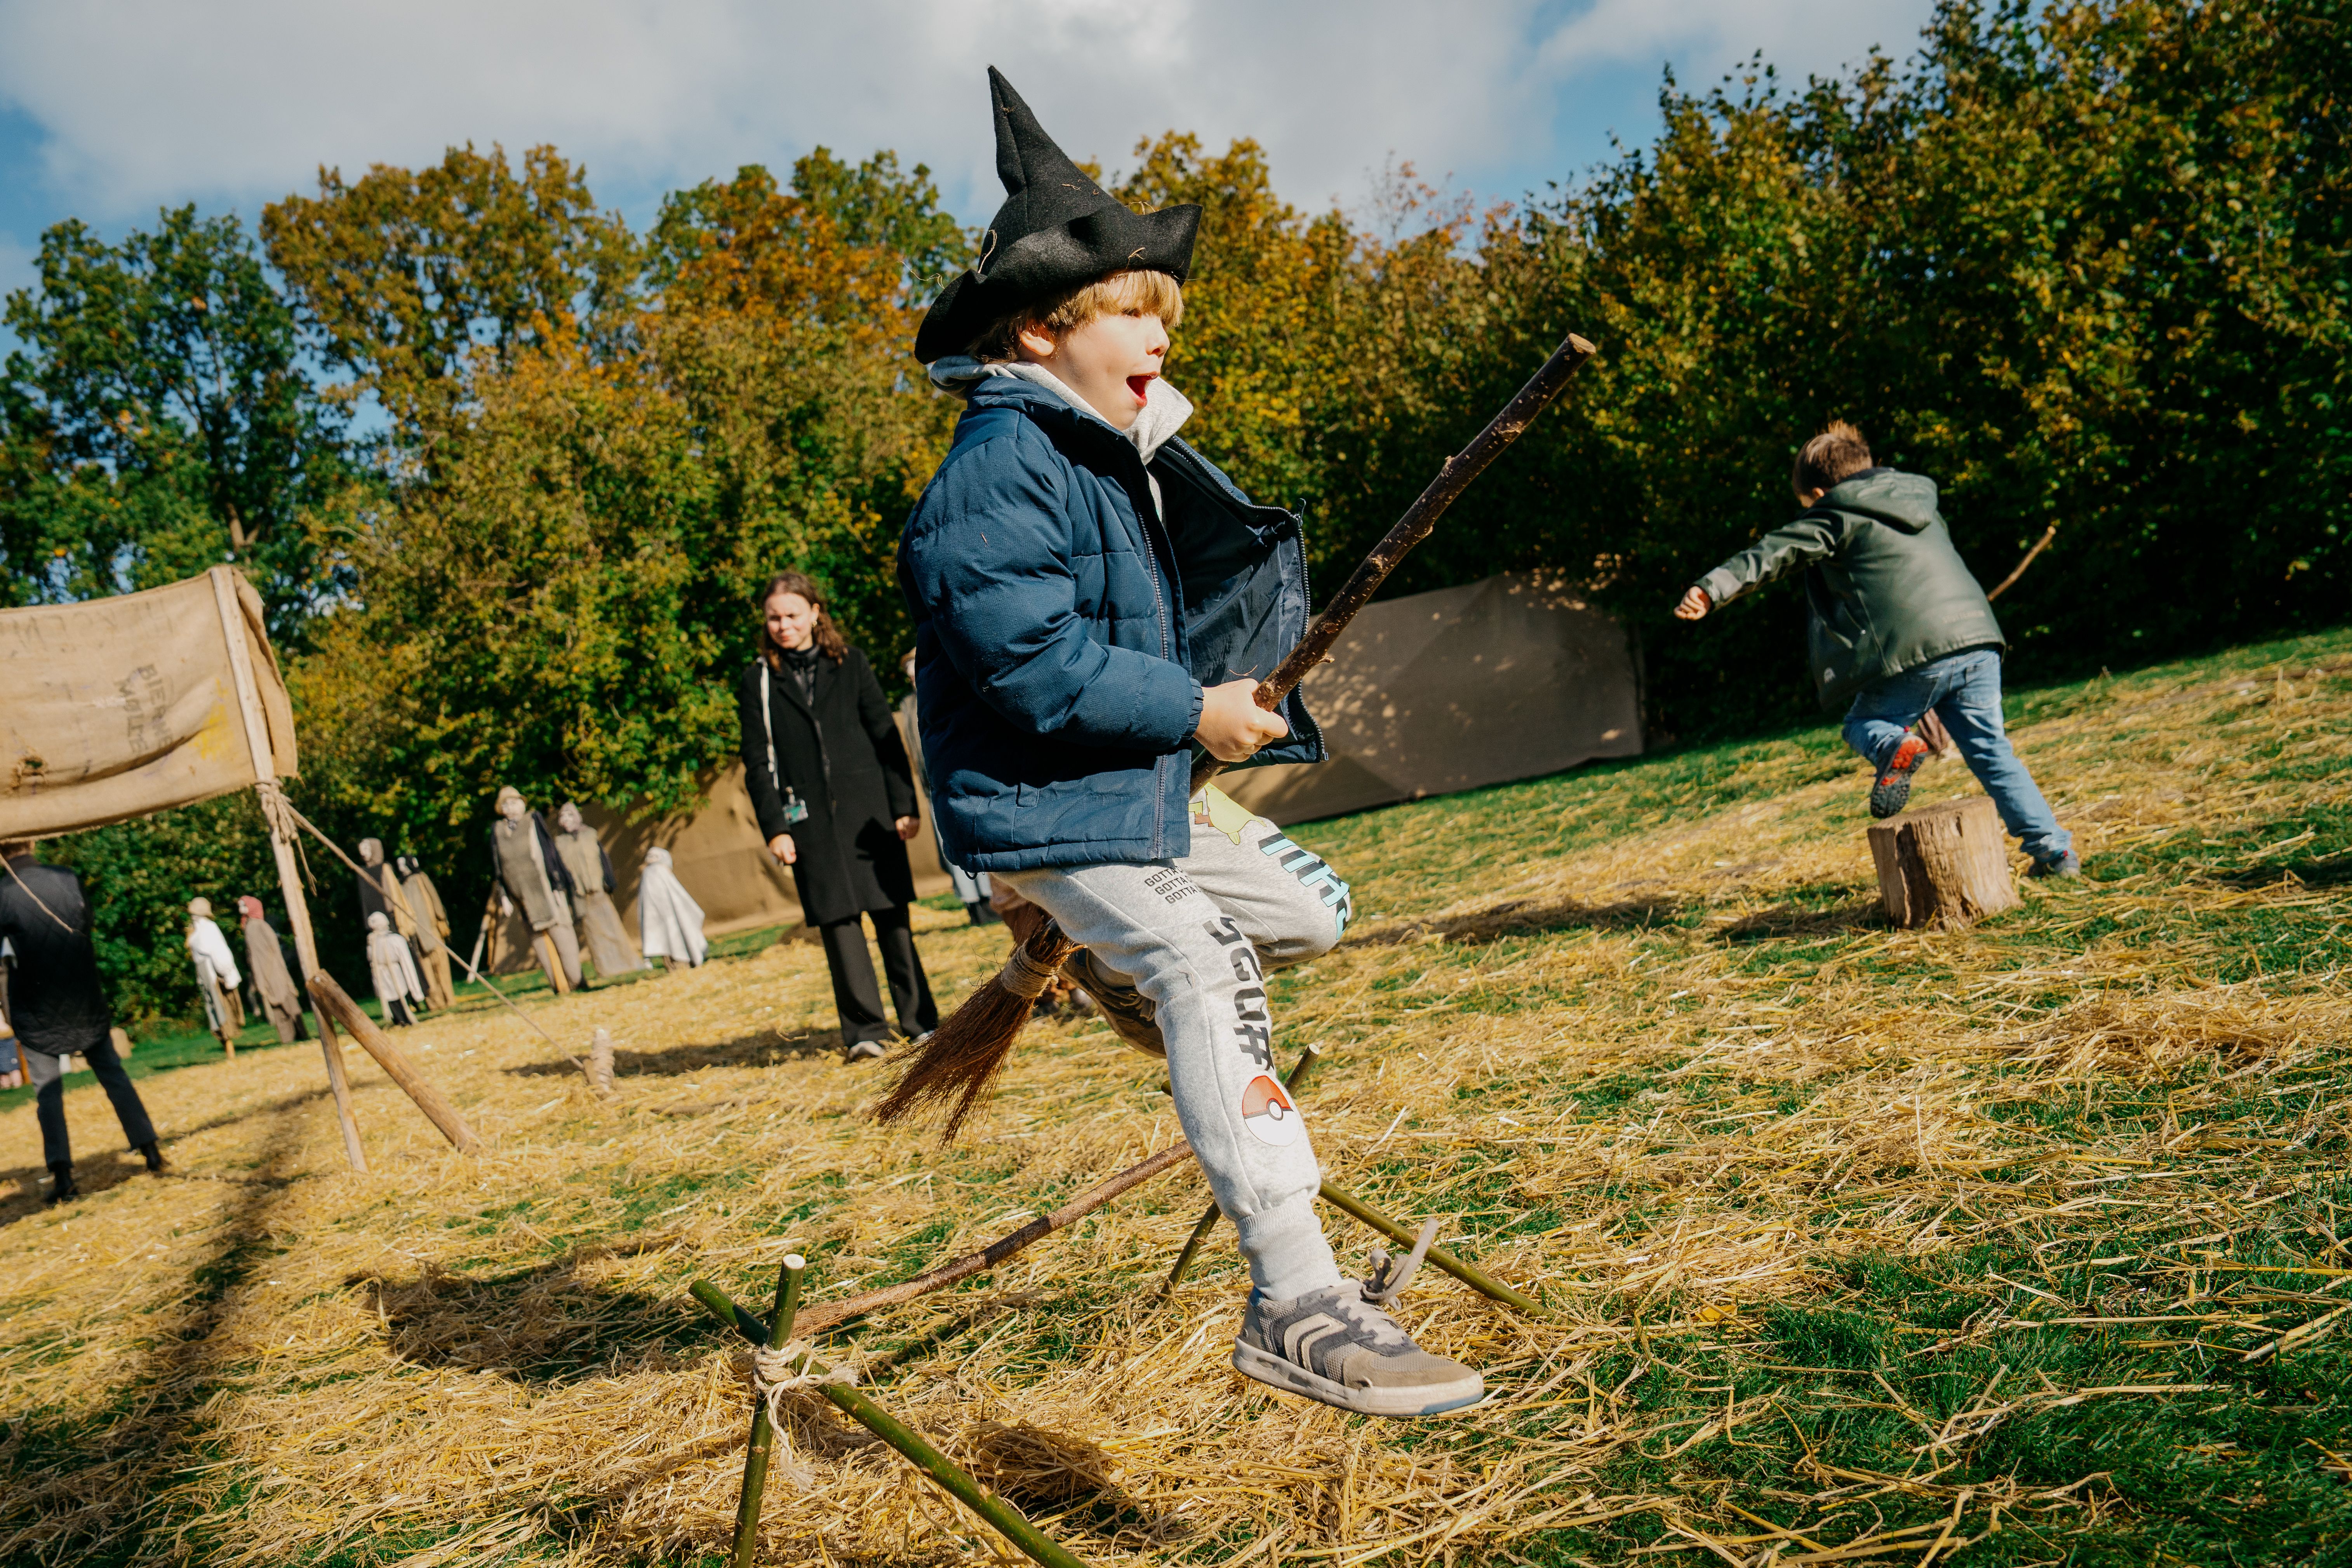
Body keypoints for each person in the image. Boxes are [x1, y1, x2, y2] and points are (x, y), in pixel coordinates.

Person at [896, 69, 1478, 1419]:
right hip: (1040, 806)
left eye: (1165, 314)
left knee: (1302, 917)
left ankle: (1102, 958)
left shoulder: (1097, 460)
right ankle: (1296, 1301)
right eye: (1132, 314)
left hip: (1121, 795)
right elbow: (1032, 666)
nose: (1161, 337)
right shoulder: (997, 471)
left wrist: (1205, 708)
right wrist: (1189, 710)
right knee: (1202, 958)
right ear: (1038, 330)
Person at [1675, 421, 2079, 877]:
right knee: (1992, 752)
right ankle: (2055, 853)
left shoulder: (1835, 513)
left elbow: (1773, 552)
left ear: (1819, 494)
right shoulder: (1918, 500)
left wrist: (1711, 588)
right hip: (1976, 640)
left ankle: (1894, 743)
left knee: (1864, 724)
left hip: (1914, 650)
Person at [738, 570, 939, 1061]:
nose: (783, 626)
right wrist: (775, 829)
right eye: (774, 618)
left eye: (792, 615)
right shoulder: (758, 681)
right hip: (809, 824)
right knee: (839, 925)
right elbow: (757, 763)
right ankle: (864, 1033)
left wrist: (903, 805)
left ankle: (920, 1023)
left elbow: (885, 737)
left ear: (814, 613)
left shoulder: (851, 663)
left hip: (870, 817)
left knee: (893, 921)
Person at [0, 840, 164, 1202]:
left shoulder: (3, 893)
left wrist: (11, 1011)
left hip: (36, 1008)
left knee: (48, 1092)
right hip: (83, 997)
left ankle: (63, 1178)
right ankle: (151, 1151)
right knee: (114, 1076)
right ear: (32, 841)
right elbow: (85, 926)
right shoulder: (67, 877)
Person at [899, 649, 1000, 927]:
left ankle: (993, 899)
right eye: (909, 675)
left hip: (964, 780)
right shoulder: (909, 706)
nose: (913, 679)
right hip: (933, 787)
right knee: (951, 845)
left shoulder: (948, 690)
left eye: (916, 672)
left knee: (978, 837)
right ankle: (972, 904)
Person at [489, 786, 584, 992]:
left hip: (547, 891)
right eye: (506, 804)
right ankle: (558, 985)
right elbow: (498, 866)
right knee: (540, 941)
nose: (510, 808)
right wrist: (504, 895)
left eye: (514, 803)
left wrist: (557, 885)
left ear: (522, 804)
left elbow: (550, 852)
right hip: (523, 899)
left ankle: (577, 980)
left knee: (562, 934)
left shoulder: (532, 820)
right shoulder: (498, 830)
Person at [552, 804, 647, 979]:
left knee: (612, 927)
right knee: (594, 933)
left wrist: (609, 882)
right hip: (580, 894)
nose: (566, 820)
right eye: (563, 817)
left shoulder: (590, 834)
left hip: (598, 890)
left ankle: (628, 963)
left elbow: (603, 859)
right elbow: (561, 871)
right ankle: (606, 969)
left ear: (576, 817)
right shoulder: (560, 843)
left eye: (570, 816)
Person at [237, 896, 308, 1044]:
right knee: (277, 1008)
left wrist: (269, 970)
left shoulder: (259, 926)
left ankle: (302, 1035)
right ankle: (288, 1039)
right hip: (264, 972)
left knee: (288, 1002)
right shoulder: (249, 927)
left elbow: (274, 949)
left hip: (274, 971)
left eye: (244, 905)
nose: (241, 908)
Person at [392, 854, 456, 1008]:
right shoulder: (400, 885)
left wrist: (441, 918)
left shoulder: (421, 879)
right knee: (425, 970)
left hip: (431, 929)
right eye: (399, 865)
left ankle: (448, 999)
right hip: (415, 935)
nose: (401, 868)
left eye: (403, 864)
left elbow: (434, 899)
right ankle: (434, 1002)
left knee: (441, 966)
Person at [184, 897, 245, 1048]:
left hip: (214, 973)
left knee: (222, 1007)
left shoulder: (206, 928)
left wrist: (225, 973)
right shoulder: (198, 930)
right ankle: (226, 1042)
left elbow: (219, 952)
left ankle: (228, 1042)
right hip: (209, 974)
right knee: (218, 1008)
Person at [636, 847, 709, 969]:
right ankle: (681, 965)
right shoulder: (659, 872)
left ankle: (683, 964)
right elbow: (679, 896)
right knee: (676, 939)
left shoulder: (648, 874)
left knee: (673, 939)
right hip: (669, 917)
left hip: (665, 918)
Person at [365, 911, 428, 1026]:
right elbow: (371, 958)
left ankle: (406, 1016)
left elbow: (405, 960)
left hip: (395, 971)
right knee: (389, 995)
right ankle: (399, 1019)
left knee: (401, 992)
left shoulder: (395, 939)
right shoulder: (373, 940)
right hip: (382, 972)